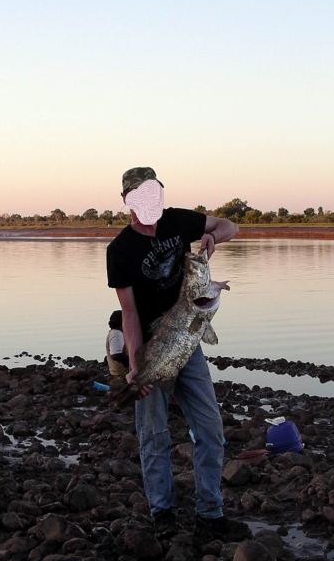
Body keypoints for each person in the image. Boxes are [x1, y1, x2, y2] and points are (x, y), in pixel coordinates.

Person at [105, 166, 247, 541]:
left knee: (210, 430)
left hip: (187, 340)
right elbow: (129, 313)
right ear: (127, 201)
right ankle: (162, 514)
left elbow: (230, 225)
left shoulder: (177, 221)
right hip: (151, 343)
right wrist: (136, 365)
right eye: (141, 196)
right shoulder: (119, 251)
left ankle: (210, 514)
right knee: (154, 435)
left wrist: (213, 237)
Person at [105, 309, 129, 378]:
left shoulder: (116, 333)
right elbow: (116, 355)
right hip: (121, 373)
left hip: (119, 372)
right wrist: (129, 363)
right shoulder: (116, 333)